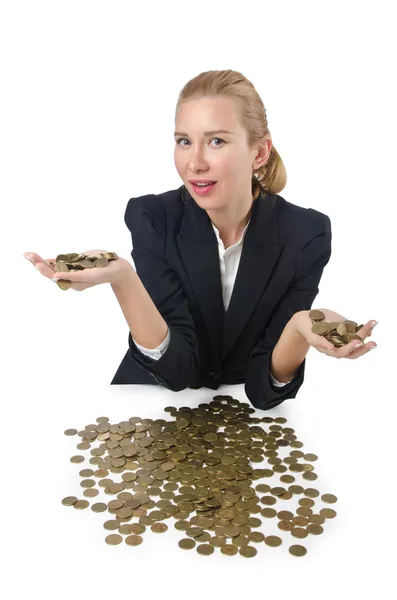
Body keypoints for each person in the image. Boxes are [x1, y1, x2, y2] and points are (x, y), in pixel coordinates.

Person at [23, 69, 378, 410]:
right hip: (152, 400)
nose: (194, 163)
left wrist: (301, 327)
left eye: (216, 141)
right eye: (184, 142)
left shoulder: (306, 233)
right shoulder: (152, 218)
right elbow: (177, 372)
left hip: (242, 408)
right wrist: (123, 278)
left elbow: (263, 391)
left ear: (259, 152)